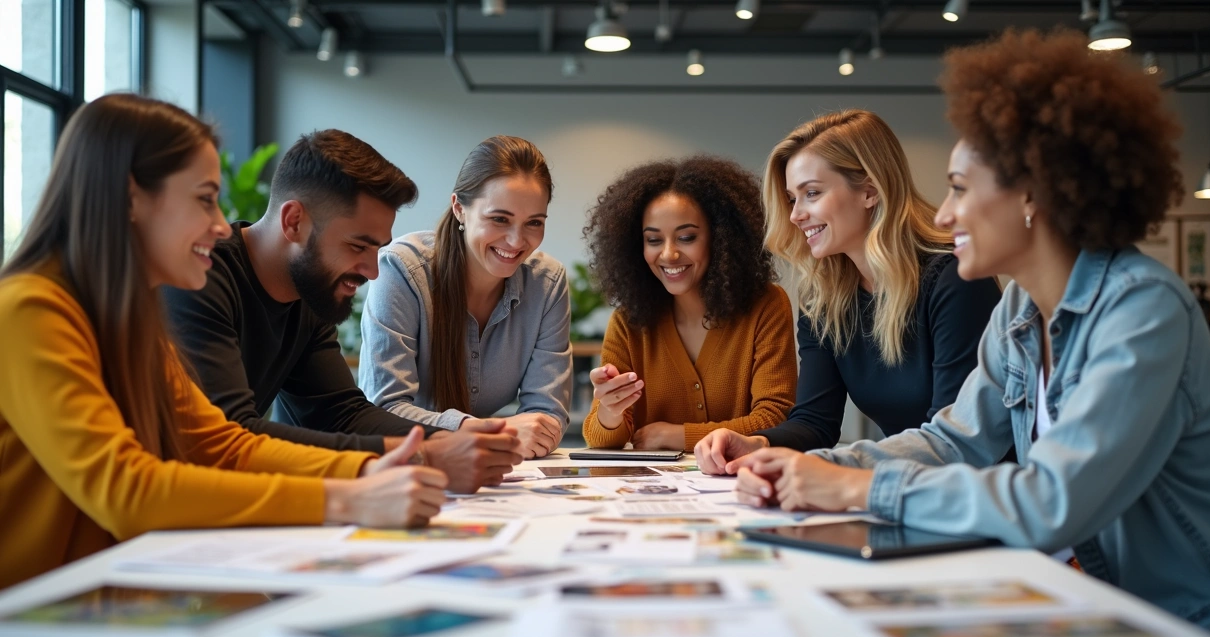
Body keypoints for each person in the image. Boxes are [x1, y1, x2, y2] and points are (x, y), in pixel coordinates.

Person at [731, 30, 1210, 628]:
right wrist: (816, 467)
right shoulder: (1017, 313)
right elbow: (952, 441)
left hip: (1167, 616)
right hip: (1070, 591)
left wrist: (853, 489)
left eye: (961, 189)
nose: (945, 213)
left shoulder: (1142, 310)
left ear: (1033, 192)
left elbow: (1051, 501)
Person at [0, 94, 448, 589]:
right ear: (131, 199)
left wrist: (368, 470)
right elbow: (128, 491)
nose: (220, 224)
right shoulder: (28, 309)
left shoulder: (130, 321)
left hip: (99, 591)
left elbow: (220, 444)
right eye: (203, 198)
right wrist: (344, 498)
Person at [163, 130, 520, 494]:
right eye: (356, 246)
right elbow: (232, 433)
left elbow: (340, 413)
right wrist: (422, 454)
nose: (372, 270)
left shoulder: (309, 293)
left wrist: (456, 434)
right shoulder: (199, 280)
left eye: (376, 249)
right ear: (294, 222)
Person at [695, 110, 1003, 474]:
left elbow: (955, 443)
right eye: (792, 198)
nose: (795, 215)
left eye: (812, 193)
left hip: (978, 497)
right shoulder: (825, 299)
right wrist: (758, 443)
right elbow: (814, 423)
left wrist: (841, 477)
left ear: (869, 191)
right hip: (904, 487)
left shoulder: (955, 279)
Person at [359, 136, 571, 460]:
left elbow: (546, 418)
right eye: (499, 219)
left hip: (490, 474)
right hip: (403, 466)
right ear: (460, 208)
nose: (516, 241)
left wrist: (500, 436)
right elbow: (384, 411)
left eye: (534, 223)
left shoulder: (547, 284)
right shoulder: (401, 271)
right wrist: (499, 432)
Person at [581, 156, 796, 452]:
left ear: (720, 238)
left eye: (686, 237)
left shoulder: (766, 306)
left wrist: (676, 436)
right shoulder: (628, 322)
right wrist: (609, 410)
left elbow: (775, 419)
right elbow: (601, 439)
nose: (668, 254)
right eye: (654, 240)